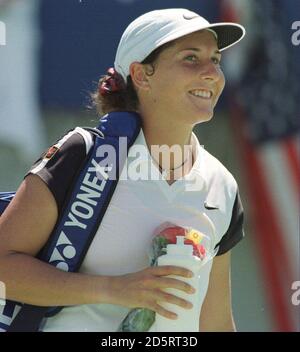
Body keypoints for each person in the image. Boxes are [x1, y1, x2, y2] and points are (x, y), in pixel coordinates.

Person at [0, 8, 246, 332]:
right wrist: (114, 289)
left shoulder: (222, 185)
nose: (212, 73)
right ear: (142, 75)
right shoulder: (81, 153)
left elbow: (214, 323)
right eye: (191, 58)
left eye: (215, 59)